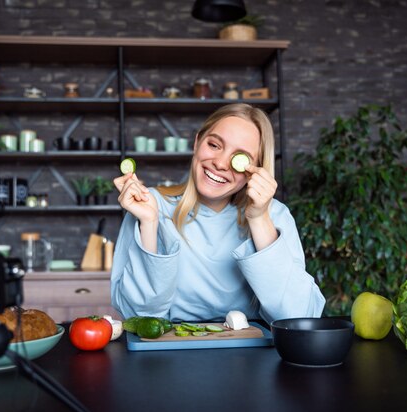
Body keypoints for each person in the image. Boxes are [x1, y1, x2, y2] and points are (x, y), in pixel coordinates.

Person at [110, 103, 325, 324]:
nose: (220, 164)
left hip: (252, 353)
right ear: (197, 143)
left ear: (256, 170)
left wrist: (259, 219)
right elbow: (138, 318)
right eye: (214, 145)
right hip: (170, 349)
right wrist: (148, 224)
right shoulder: (149, 205)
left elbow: (300, 317)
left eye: (240, 158)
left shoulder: (275, 216)